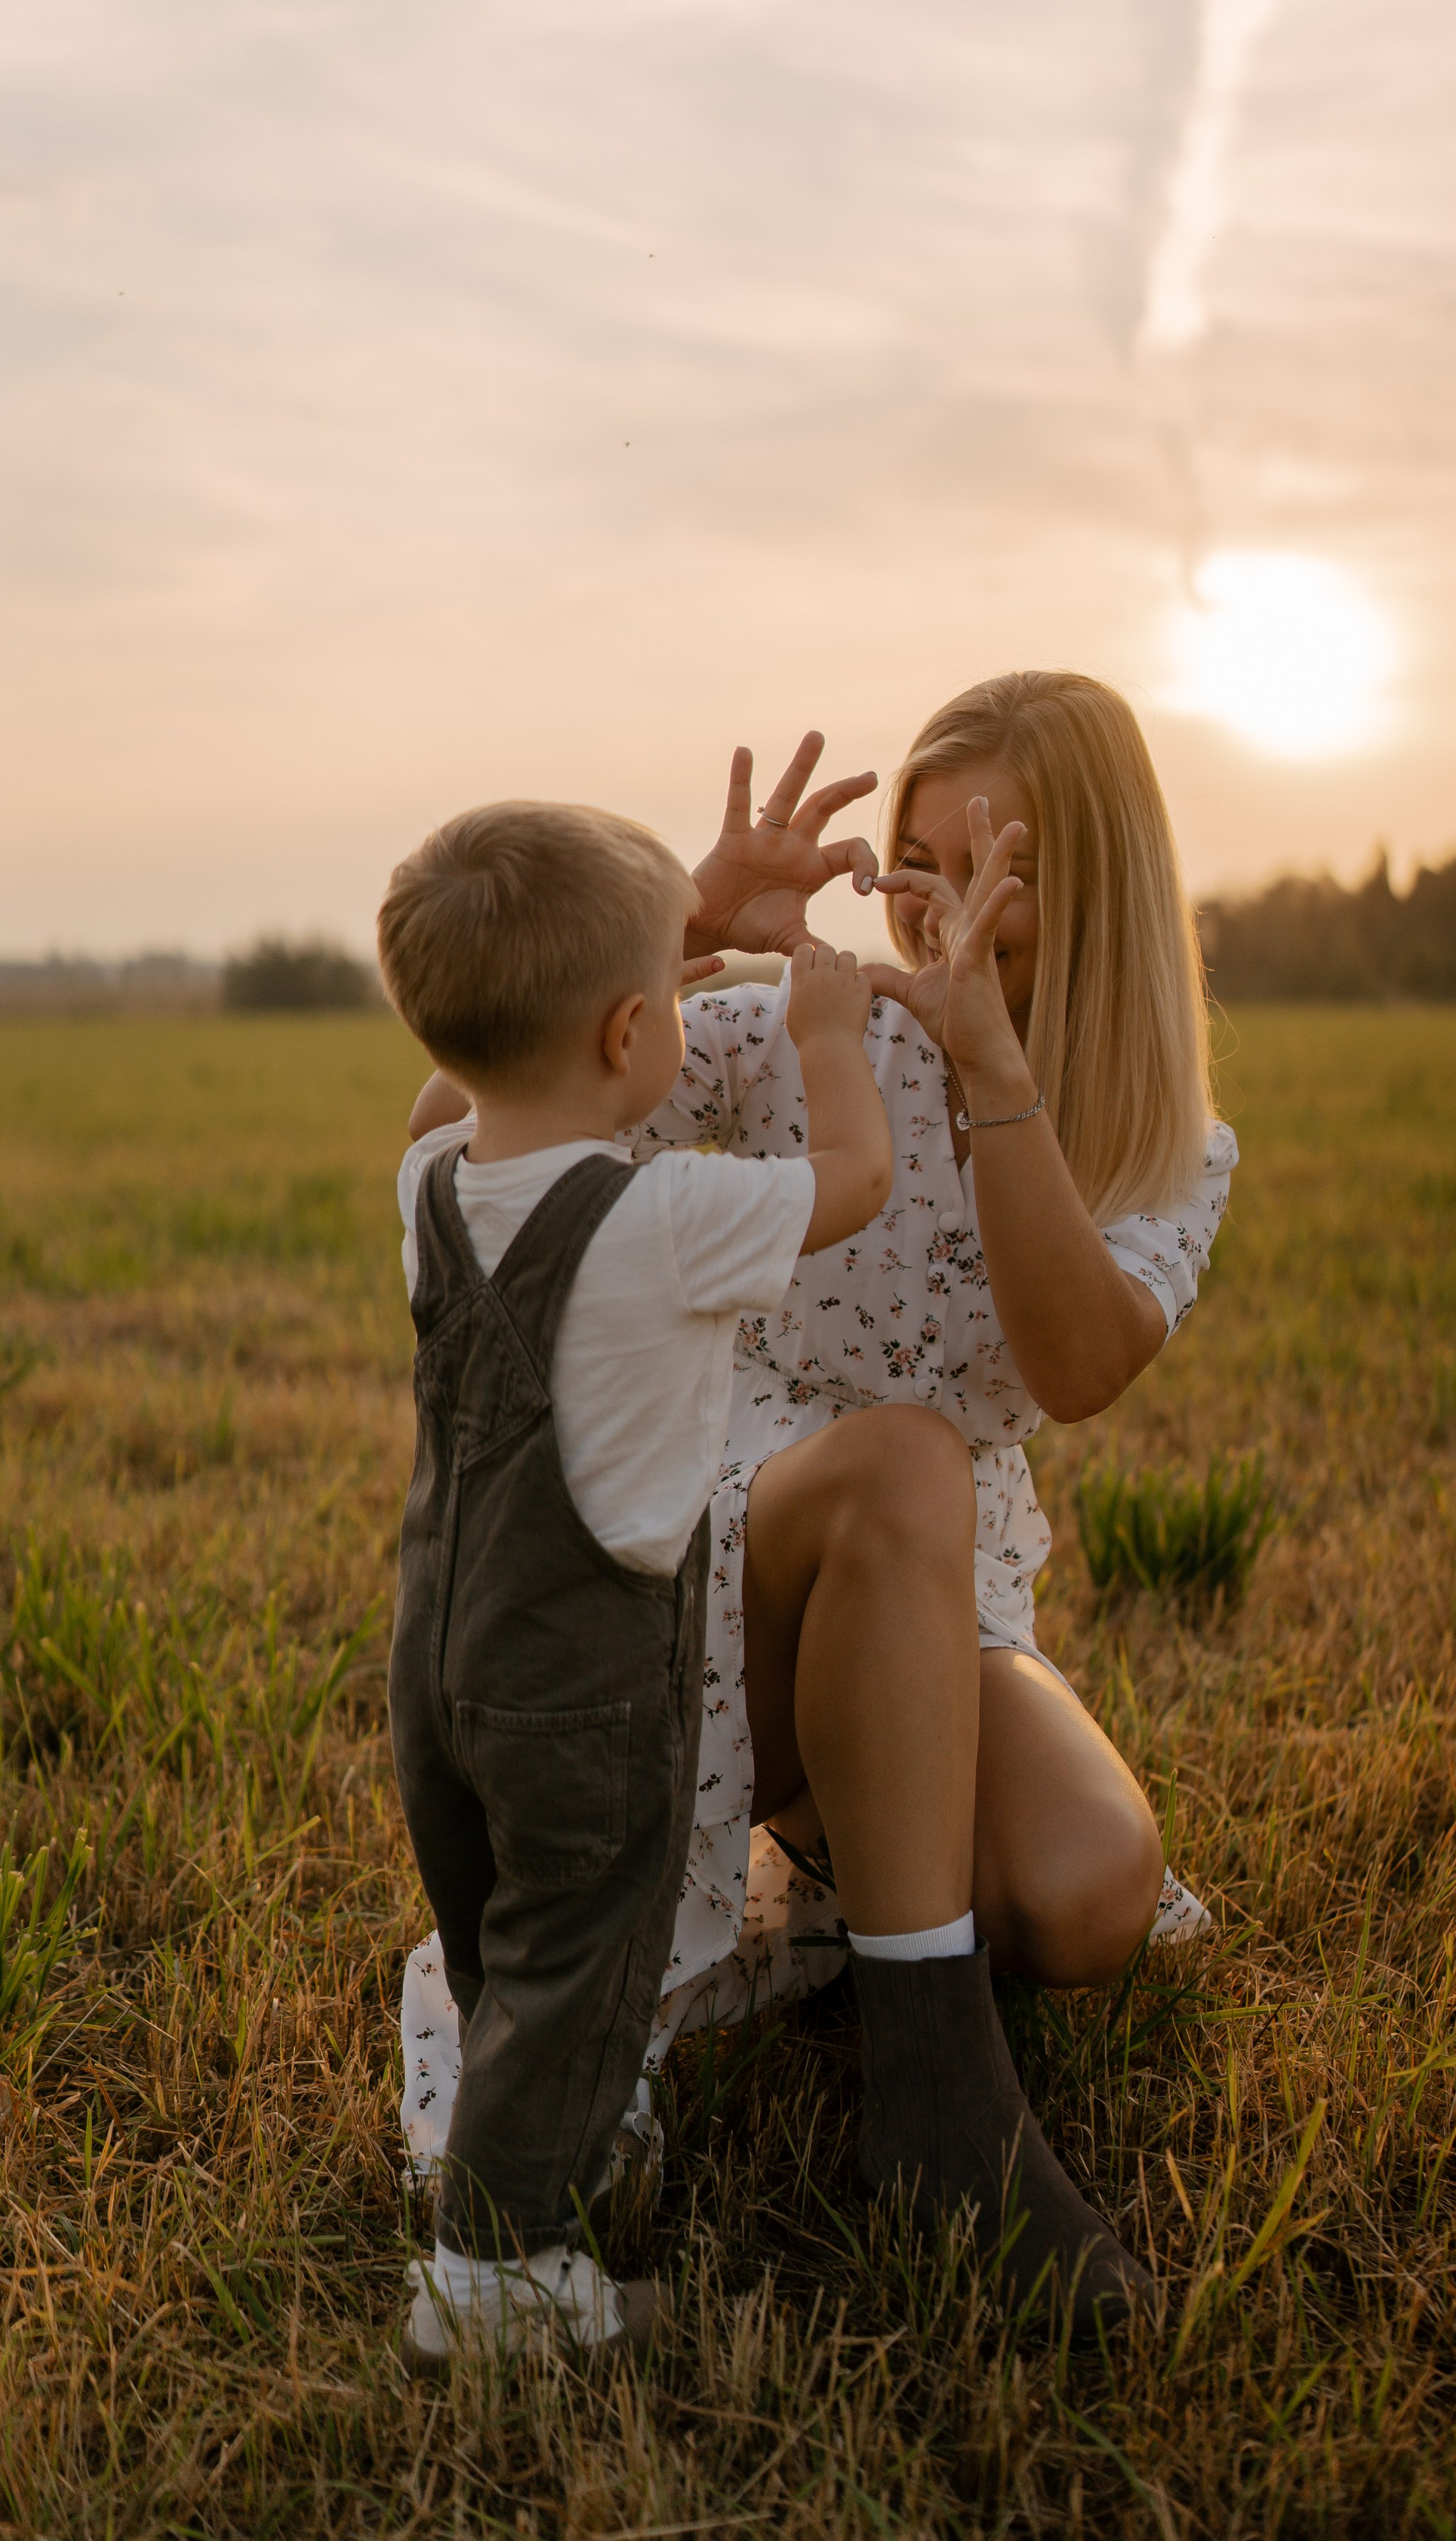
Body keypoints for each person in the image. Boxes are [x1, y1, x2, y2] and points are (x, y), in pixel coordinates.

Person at [402, 672, 1237, 2339]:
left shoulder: (1165, 1135)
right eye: (912, 857)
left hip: (941, 1578)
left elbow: (1074, 1369)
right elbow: (462, 1140)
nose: (931, 899)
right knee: (902, 1454)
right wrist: (682, 933)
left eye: (988, 861)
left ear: (1097, 883)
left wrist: (992, 1069)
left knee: (1089, 1893)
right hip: (716, 1532)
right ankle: (939, 2109)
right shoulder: (804, 1028)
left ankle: (853, 1856)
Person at [377, 800, 892, 2370]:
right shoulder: (662, 1220)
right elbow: (854, 1181)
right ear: (626, 1030)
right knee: (583, 1956)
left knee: (495, 1947)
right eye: (669, 1000)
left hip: (438, 1666)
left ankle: (547, 2156)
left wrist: (655, 952)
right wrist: (822, 1031)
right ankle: (498, 2291)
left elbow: (470, 1095)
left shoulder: (430, 1189)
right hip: (582, 1684)